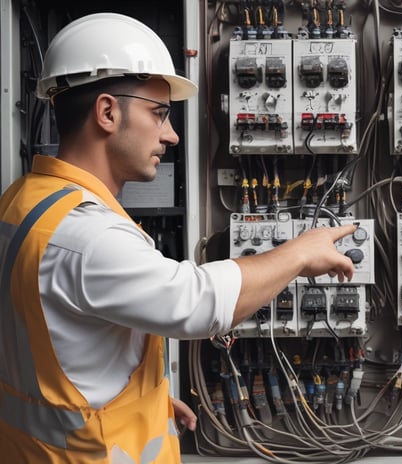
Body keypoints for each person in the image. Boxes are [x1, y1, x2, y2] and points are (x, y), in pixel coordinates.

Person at [0, 12, 356, 463]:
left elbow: (47, 348)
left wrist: (139, 403)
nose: (170, 135)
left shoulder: (25, 201)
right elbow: (198, 304)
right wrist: (299, 252)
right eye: (159, 114)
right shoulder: (87, 235)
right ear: (107, 112)